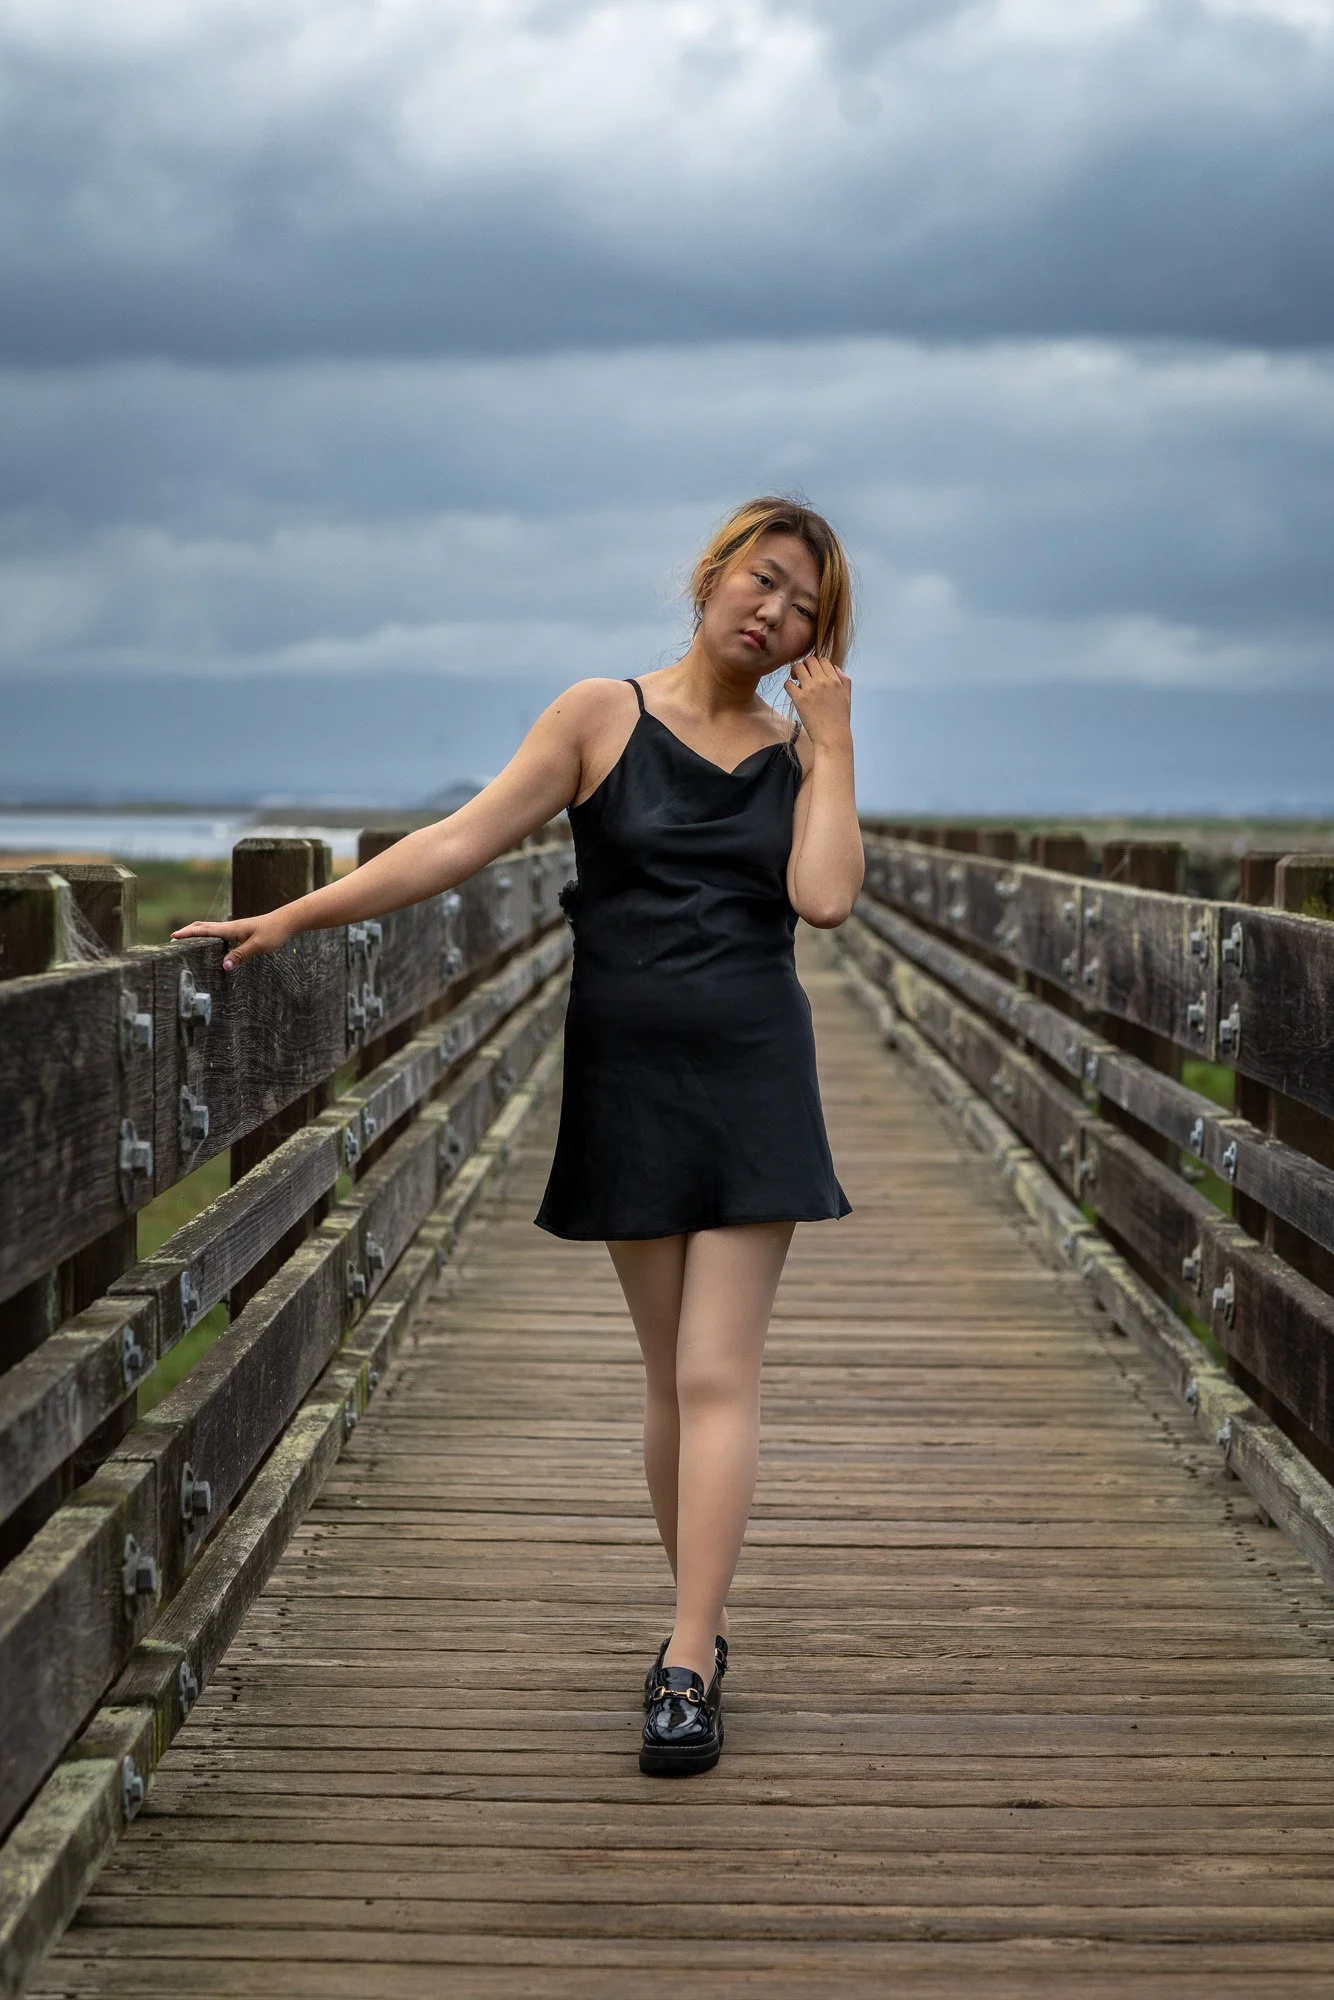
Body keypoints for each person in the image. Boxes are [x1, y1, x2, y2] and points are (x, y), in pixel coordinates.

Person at [173, 496, 863, 1777]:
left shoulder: (796, 745)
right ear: (710, 575)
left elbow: (822, 897)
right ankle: (698, 1631)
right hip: (628, 1076)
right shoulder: (600, 713)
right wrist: (294, 918)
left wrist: (832, 744)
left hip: (754, 1069)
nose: (770, 614)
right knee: (667, 1378)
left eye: (802, 609)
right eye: (759, 582)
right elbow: (454, 840)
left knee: (718, 1373)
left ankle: (685, 1653)